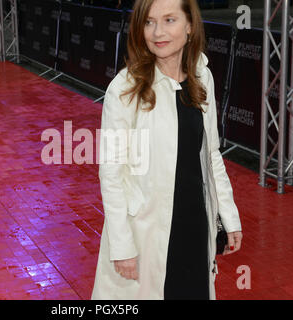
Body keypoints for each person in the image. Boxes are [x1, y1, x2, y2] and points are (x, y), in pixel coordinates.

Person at [91, 0, 243, 300]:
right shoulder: (125, 88)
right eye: (149, 22)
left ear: (190, 26)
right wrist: (121, 244)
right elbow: (111, 172)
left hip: (195, 223)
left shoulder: (203, 77)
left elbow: (211, 154)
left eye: (169, 20)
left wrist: (228, 214)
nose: (157, 31)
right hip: (145, 231)